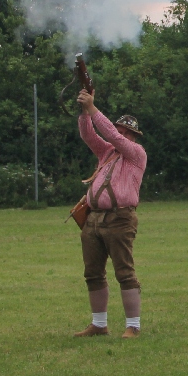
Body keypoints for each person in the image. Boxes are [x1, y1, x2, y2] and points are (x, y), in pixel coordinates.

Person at [73, 88, 148, 339]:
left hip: (120, 218)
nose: (121, 134)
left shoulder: (136, 153)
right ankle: (99, 324)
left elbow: (110, 135)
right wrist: (85, 112)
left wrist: (93, 107)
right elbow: (88, 135)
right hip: (94, 218)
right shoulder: (107, 153)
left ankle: (133, 326)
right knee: (93, 273)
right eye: (120, 130)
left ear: (134, 137)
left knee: (124, 273)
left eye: (127, 132)